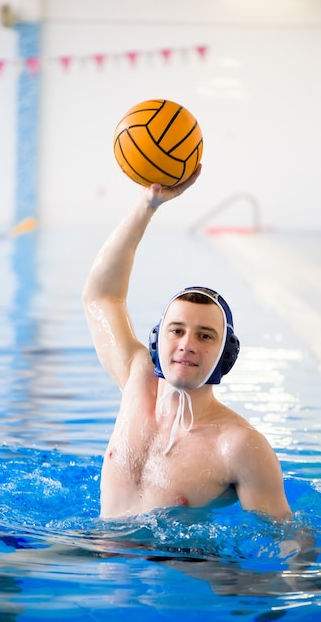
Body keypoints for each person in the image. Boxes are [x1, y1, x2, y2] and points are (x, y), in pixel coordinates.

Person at [82, 165, 291, 521]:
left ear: (226, 355)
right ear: (157, 340)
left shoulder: (239, 445)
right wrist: (147, 205)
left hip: (188, 565)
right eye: (176, 330)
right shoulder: (137, 380)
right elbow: (101, 297)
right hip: (104, 547)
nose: (187, 344)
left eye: (205, 335)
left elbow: (286, 538)